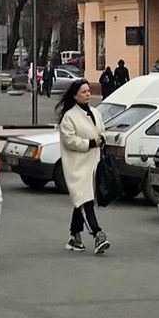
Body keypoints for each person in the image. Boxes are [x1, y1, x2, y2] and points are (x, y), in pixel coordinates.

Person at [56, 79, 109, 255]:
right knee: (85, 200)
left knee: (82, 198)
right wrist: (91, 143)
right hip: (77, 165)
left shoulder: (95, 112)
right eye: (84, 91)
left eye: (88, 91)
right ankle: (97, 234)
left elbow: (101, 130)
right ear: (75, 95)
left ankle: (74, 237)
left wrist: (102, 139)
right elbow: (70, 140)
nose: (88, 94)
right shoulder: (69, 117)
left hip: (93, 163)